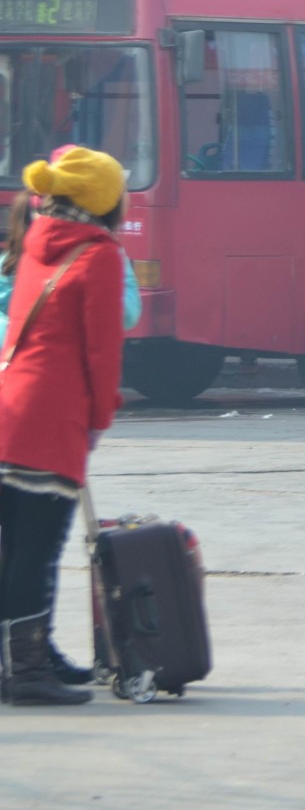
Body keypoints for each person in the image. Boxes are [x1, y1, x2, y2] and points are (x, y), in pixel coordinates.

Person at [0, 146, 129, 705]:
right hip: (50, 419)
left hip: (9, 405)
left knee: (12, 546)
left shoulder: (35, 241)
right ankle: (26, 671)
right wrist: (99, 420)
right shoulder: (98, 257)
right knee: (37, 550)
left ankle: (32, 653)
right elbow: (102, 354)